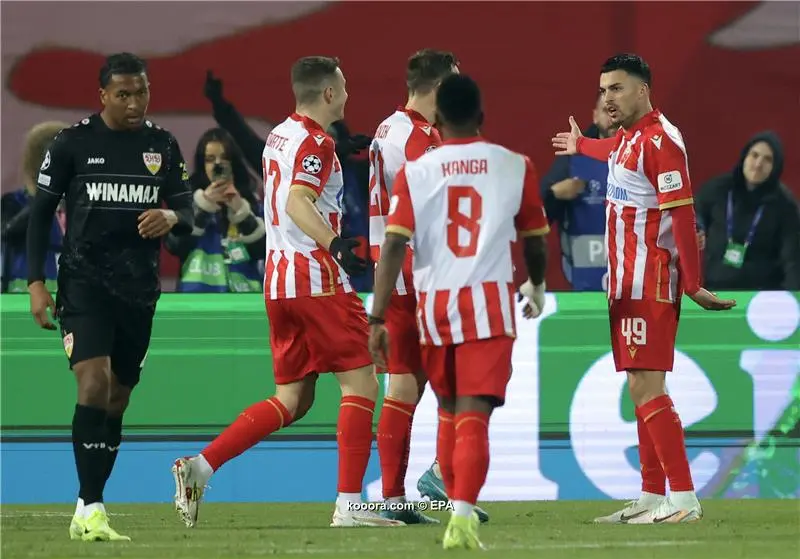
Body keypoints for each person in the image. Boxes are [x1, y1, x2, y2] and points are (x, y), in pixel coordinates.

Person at [171, 56, 403, 529]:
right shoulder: (317, 142)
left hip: (277, 284)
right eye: (345, 86)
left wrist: (339, 146)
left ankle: (202, 465)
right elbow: (299, 199)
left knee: (293, 399)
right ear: (330, 94)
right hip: (316, 279)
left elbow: (299, 174)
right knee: (361, 383)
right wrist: (335, 243)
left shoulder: (282, 133)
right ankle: (349, 505)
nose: (350, 93)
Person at [552, 53, 736, 524]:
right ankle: (652, 496)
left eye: (616, 88)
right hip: (626, 283)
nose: (607, 98)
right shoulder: (631, 138)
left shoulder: (660, 141)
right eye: (603, 89)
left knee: (647, 386)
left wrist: (692, 283)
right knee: (641, 387)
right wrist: (580, 144)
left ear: (642, 90)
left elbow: (682, 214)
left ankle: (685, 498)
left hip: (648, 280)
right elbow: (612, 152)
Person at [368, 74, 549, 549]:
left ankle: (451, 508)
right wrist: (538, 283)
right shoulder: (514, 165)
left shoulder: (418, 172)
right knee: (473, 415)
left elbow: (393, 245)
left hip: (434, 312)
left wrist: (376, 315)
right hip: (489, 310)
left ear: (440, 119)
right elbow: (534, 239)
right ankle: (462, 515)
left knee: (449, 413)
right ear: (482, 116)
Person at [26, 52, 194, 541]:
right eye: (123, 94)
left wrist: (173, 217)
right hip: (84, 285)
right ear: (103, 96)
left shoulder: (161, 145)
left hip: (139, 292)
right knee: (93, 384)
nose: (134, 102)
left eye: (141, 92)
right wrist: (37, 283)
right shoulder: (73, 143)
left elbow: (186, 207)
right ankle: (95, 506)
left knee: (118, 399)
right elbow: (40, 214)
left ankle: (85, 506)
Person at [369, 48, 489, 525]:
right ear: (438, 88)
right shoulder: (421, 139)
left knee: (409, 383)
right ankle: (440, 484)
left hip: (393, 270)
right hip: (421, 273)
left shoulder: (388, 128)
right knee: (437, 382)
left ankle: (401, 496)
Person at [164, 127, 266, 292]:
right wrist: (203, 207)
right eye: (210, 159)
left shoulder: (251, 203)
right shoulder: (186, 201)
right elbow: (174, 246)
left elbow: (263, 251)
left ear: (234, 163)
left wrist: (242, 213)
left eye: (224, 158)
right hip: (197, 300)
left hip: (245, 301)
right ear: (202, 164)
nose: (217, 165)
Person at [695, 131, 799, 291]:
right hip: (715, 289)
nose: (758, 164)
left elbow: (792, 258)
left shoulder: (785, 204)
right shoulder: (718, 189)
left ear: (776, 166)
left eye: (767, 159)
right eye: (754, 155)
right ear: (745, 157)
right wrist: (698, 227)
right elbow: (695, 213)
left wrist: (794, 298)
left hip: (762, 296)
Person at [541, 94, 620, 291]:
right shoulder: (572, 159)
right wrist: (554, 195)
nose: (612, 118)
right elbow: (539, 216)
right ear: (595, 116)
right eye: (606, 110)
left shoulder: (647, 155)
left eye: (617, 111)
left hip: (637, 284)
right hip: (584, 284)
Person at [1, 121, 68, 293]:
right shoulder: (14, 202)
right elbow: (7, 232)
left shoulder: (82, 204)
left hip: (73, 297)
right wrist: (45, 197)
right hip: (24, 295)